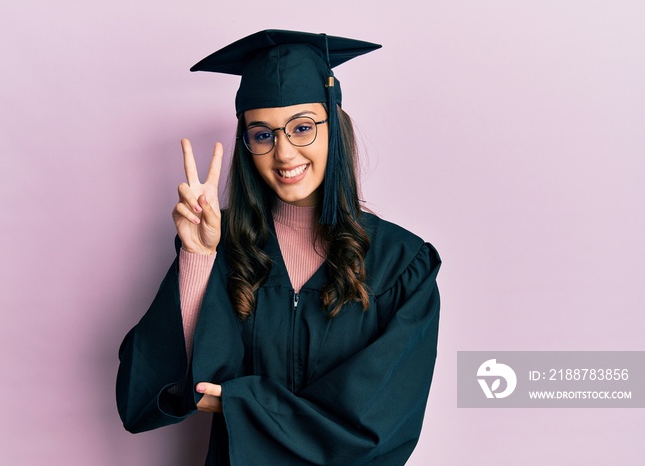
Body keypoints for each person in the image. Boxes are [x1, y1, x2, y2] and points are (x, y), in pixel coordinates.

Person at [116, 30, 441, 466]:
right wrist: (198, 257)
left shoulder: (401, 264)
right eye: (263, 134)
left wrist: (241, 403)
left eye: (302, 128)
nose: (284, 153)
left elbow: (377, 425)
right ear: (247, 145)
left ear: (334, 126)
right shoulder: (224, 247)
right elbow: (158, 385)